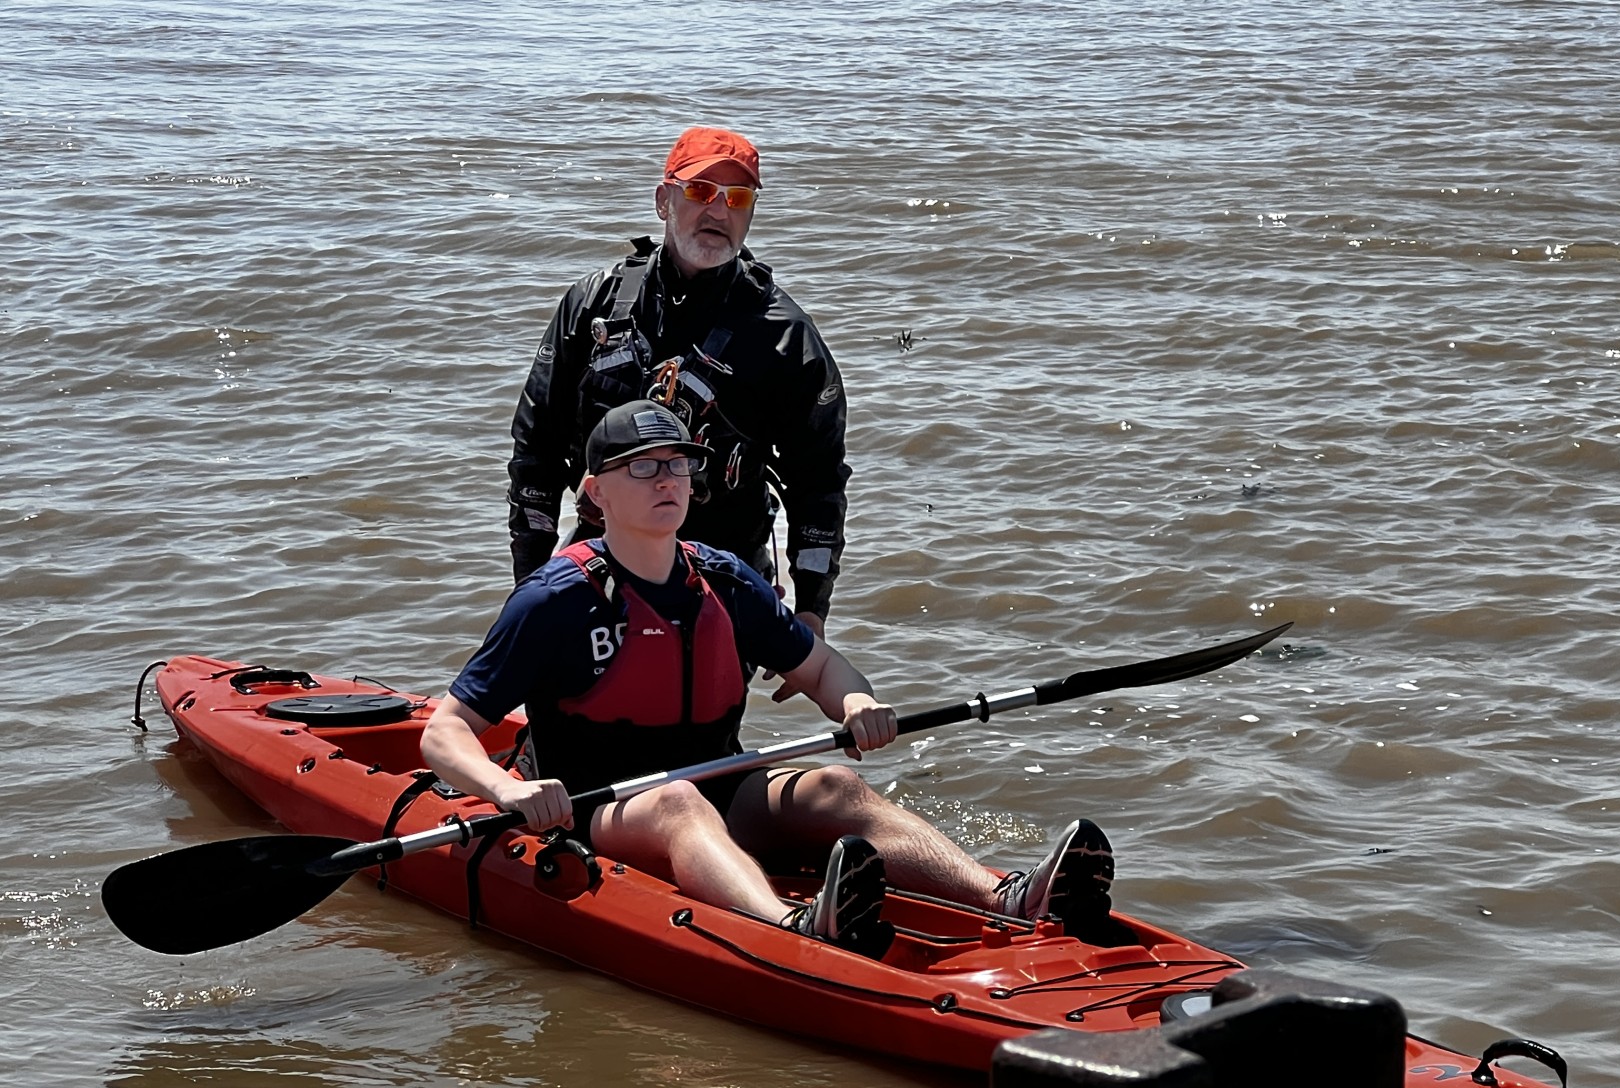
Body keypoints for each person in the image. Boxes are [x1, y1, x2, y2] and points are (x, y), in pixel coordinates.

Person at [429, 399, 1114, 958]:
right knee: (678, 805)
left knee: (835, 783)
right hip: (598, 810)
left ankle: (1009, 899)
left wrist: (857, 701)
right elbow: (446, 733)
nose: (668, 480)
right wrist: (505, 788)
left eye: (678, 464)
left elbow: (820, 666)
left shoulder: (723, 578)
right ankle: (790, 930)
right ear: (596, 490)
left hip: (719, 786)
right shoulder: (555, 599)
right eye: (643, 468)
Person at [506, 124, 849, 642]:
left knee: (701, 716)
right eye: (700, 192)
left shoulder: (786, 337)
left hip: (726, 582)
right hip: (598, 570)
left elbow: (818, 481)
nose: (718, 211)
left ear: (751, 212)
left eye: (737, 197)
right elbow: (536, 450)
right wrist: (530, 584)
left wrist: (811, 612)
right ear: (664, 200)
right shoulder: (592, 304)